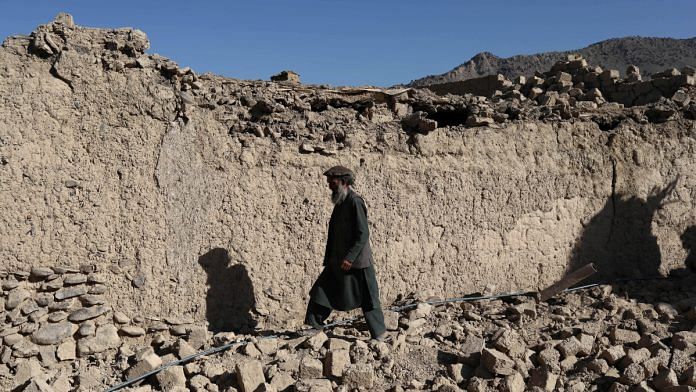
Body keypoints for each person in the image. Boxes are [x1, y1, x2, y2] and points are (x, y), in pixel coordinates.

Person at [304, 165, 386, 340]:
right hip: (338, 261)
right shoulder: (340, 202)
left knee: (369, 297)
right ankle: (314, 325)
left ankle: (379, 334)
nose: (329, 185)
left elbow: (363, 233)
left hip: (357, 262)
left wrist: (350, 257)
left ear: (343, 182)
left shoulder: (355, 202)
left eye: (332, 182)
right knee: (321, 291)